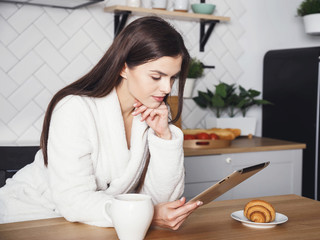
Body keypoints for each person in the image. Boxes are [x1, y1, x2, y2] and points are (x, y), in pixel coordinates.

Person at [0, 16, 202, 230]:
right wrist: (146, 214)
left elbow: (162, 199)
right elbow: (74, 199)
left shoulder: (152, 113)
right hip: (29, 217)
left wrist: (164, 137)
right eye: (156, 77)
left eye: (172, 78)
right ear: (123, 68)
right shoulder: (74, 108)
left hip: (95, 222)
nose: (166, 88)